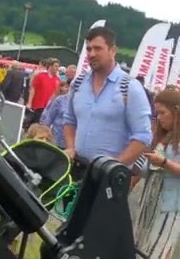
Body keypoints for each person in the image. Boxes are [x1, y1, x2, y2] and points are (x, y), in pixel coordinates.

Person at [60, 27, 152, 171]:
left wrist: (115, 166)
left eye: (98, 48)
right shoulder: (78, 83)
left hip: (108, 176)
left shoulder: (129, 87)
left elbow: (143, 136)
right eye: (89, 49)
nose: (92, 54)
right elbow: (69, 120)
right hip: (77, 167)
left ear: (112, 50)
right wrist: (71, 147)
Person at [130, 88, 180, 259]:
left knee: (155, 251)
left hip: (169, 208)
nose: (159, 118)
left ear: (176, 111)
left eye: (162, 113)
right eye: (156, 113)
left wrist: (164, 162)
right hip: (149, 201)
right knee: (140, 245)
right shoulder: (162, 136)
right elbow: (145, 166)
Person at [27, 58, 59, 128]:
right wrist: (29, 103)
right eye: (56, 66)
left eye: (58, 66)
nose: (57, 68)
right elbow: (33, 89)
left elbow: (56, 94)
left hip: (48, 108)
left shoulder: (57, 80)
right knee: (34, 125)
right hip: (38, 106)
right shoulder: (40, 76)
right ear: (50, 66)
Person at [39, 78, 72, 147]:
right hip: (56, 139)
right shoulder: (60, 100)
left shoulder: (82, 104)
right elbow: (49, 118)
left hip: (71, 145)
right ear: (69, 86)